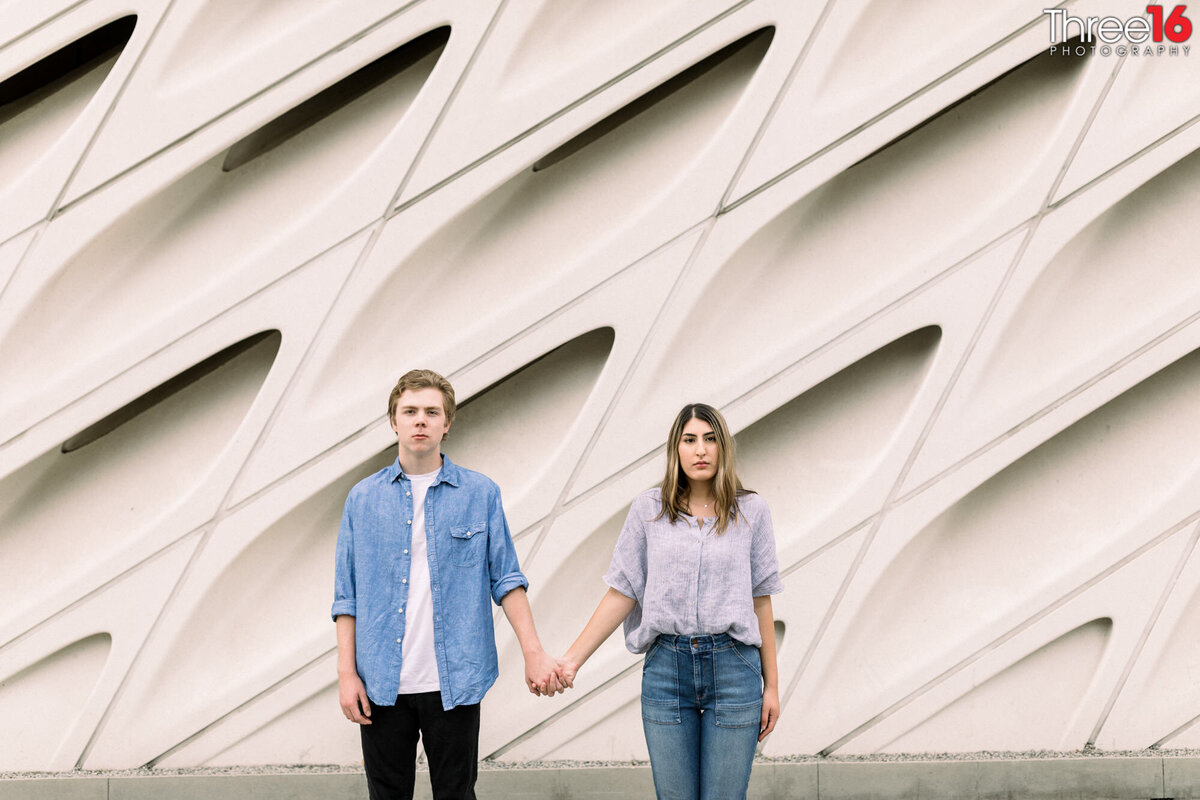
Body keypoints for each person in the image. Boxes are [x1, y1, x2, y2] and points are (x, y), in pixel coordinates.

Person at [332, 369, 565, 800]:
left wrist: (534, 654)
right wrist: (347, 674)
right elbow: (347, 597)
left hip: (455, 681)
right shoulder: (362, 499)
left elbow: (508, 580)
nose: (420, 420)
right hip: (381, 684)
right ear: (394, 421)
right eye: (410, 411)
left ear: (447, 422)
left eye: (431, 412)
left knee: (457, 794)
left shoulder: (480, 493)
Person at [558, 403, 783, 800]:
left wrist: (772, 687)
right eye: (690, 440)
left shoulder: (751, 512)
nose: (701, 450)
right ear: (675, 450)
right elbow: (623, 590)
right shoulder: (649, 511)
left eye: (710, 440)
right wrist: (571, 661)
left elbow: (760, 598)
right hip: (667, 670)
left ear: (723, 448)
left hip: (735, 669)